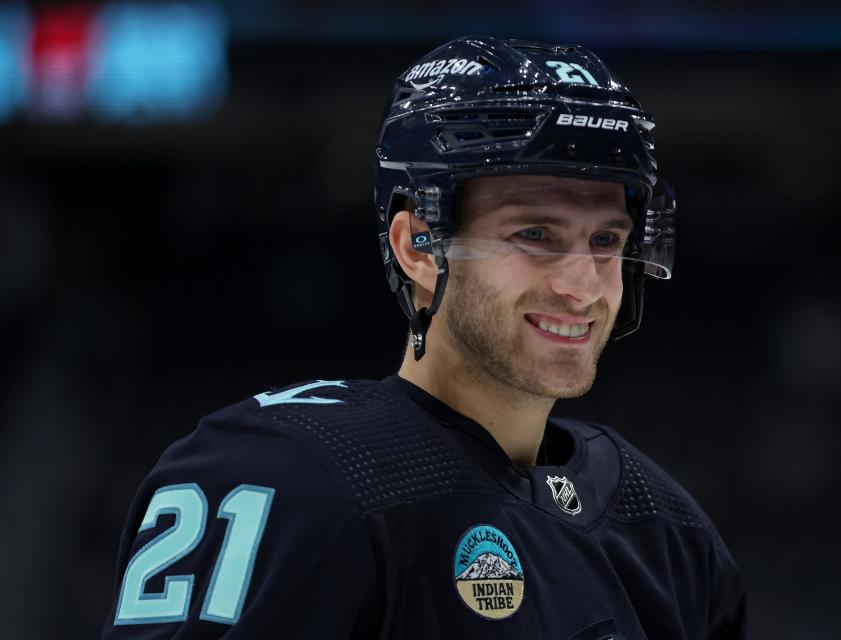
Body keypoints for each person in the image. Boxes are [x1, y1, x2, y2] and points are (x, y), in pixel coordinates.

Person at [103, 36, 751, 639]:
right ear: (418, 246)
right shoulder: (283, 479)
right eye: (535, 235)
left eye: (606, 240)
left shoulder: (664, 528)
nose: (582, 287)